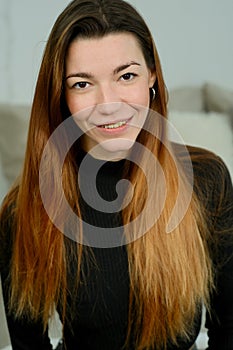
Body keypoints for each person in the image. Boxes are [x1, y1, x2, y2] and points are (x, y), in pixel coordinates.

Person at [0, 0, 233, 349]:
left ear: (151, 77)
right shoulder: (23, 210)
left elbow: (229, 330)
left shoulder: (206, 180)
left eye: (126, 76)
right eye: (82, 84)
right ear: (60, 95)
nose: (108, 103)